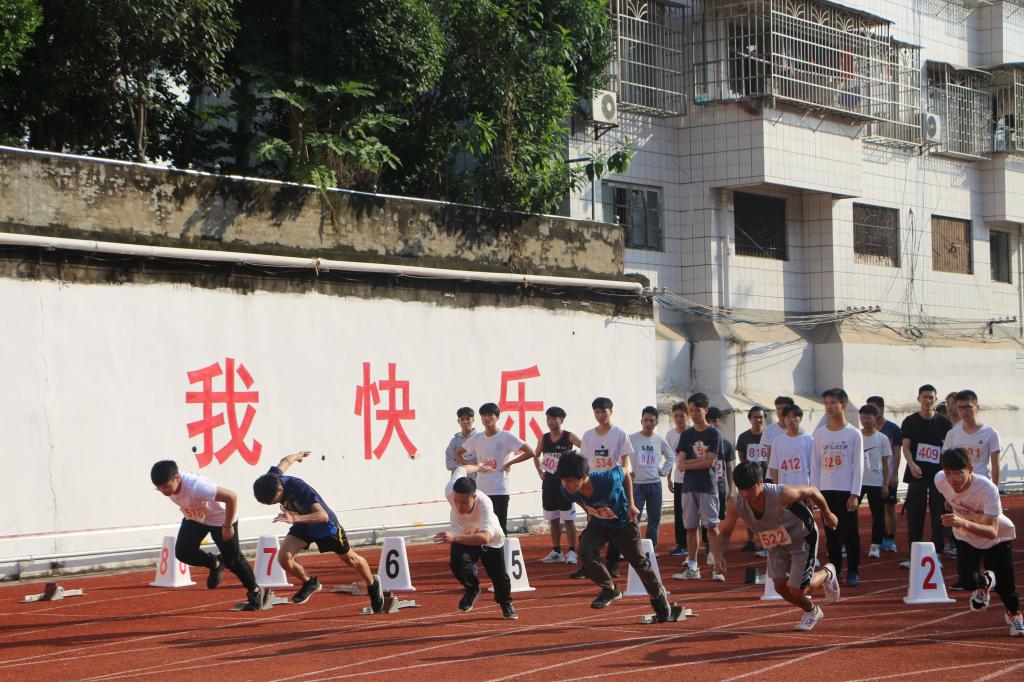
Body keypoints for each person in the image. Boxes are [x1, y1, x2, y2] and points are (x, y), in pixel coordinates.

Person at [714, 461, 840, 631]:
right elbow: (725, 532)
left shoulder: (782, 494)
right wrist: (718, 555)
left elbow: (813, 491)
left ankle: (827, 573)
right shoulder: (736, 503)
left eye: (749, 489)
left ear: (760, 482)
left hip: (801, 537)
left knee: (798, 590)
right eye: (740, 489)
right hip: (774, 542)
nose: (745, 494)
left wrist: (827, 514)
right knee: (780, 587)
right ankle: (812, 611)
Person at [252, 451, 384, 611]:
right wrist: (298, 456)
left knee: (351, 559)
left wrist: (295, 518)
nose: (273, 504)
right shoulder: (270, 479)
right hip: (303, 524)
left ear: (280, 488)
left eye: (273, 501)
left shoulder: (299, 489)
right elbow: (285, 461)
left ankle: (372, 584)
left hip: (326, 528)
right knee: (284, 558)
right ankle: (310, 582)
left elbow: (323, 516)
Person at [556, 452, 674, 620]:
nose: (565, 484)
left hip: (623, 523)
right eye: (563, 480)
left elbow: (625, 472)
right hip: (599, 524)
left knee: (639, 562)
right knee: (585, 551)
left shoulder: (607, 480)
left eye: (569, 480)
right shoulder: (566, 490)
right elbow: (579, 500)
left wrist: (631, 504)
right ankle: (609, 588)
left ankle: (657, 594)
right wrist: (589, 512)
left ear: (583, 477)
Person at [151, 460, 266, 611]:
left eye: (166, 486)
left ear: (177, 478)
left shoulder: (197, 487)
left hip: (221, 519)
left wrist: (227, 526)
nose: (164, 491)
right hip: (197, 517)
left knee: (233, 561)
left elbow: (231, 497)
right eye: (159, 488)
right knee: (183, 552)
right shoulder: (170, 483)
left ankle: (256, 592)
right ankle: (215, 563)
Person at [934, 448, 1022, 637]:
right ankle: (985, 583)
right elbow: (950, 497)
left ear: (970, 469)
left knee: (1006, 586)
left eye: (959, 474)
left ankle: (1014, 615)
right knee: (967, 581)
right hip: (966, 537)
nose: (953, 479)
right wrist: (952, 504)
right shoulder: (940, 480)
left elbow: (991, 532)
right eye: (948, 473)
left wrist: (962, 521)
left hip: (997, 538)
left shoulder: (987, 489)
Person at [435, 462, 518, 619]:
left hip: (490, 539)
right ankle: (472, 588)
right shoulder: (450, 489)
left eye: (464, 502)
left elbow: (485, 538)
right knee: (457, 562)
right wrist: (479, 467)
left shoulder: (485, 503)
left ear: (474, 497)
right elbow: (461, 469)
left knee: (499, 576)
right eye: (456, 501)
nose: (459, 506)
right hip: (464, 533)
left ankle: (505, 603)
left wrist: (454, 537)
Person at [573, 397, 634, 579]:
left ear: (611, 411)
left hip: (613, 487)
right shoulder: (588, 436)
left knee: (616, 528)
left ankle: (613, 564)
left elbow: (625, 467)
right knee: (592, 526)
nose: (600, 415)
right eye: (597, 411)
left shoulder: (620, 434)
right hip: (593, 488)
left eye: (603, 411)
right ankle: (588, 565)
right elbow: (584, 464)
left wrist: (630, 500)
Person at [454, 402, 537, 534]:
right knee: (481, 528)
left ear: (497, 417)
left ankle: (501, 548)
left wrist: (508, 464)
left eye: (490, 415)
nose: (486, 418)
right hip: (481, 490)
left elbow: (530, 452)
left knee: (499, 528)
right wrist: (474, 467)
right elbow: (457, 453)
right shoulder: (477, 438)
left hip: (499, 489)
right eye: (483, 415)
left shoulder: (506, 436)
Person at [810, 388, 864, 586]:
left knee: (850, 533)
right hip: (826, 492)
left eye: (833, 402)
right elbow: (815, 464)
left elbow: (859, 465)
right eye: (826, 403)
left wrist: (855, 493)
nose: (829, 407)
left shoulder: (854, 434)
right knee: (831, 534)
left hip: (846, 491)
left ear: (843, 405)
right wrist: (814, 493)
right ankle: (834, 571)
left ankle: (853, 571)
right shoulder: (819, 434)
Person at [899, 384, 953, 568]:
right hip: (917, 473)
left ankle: (936, 552)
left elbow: (948, 448)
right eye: (925, 397)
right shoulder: (910, 421)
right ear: (918, 398)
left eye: (931, 397)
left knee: (939, 513)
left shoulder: (944, 423)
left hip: (938, 475)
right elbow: (906, 446)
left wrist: (946, 471)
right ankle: (913, 553)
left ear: (936, 399)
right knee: (915, 513)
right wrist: (911, 464)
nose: (928, 400)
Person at [673, 392, 723, 582]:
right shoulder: (686, 435)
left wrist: (690, 463)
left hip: (708, 486)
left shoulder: (713, 433)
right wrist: (695, 462)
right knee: (691, 527)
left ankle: (718, 567)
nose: (693, 414)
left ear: (705, 410)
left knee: (712, 527)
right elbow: (680, 463)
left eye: (697, 410)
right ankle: (693, 566)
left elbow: (709, 462)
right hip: (688, 487)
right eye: (691, 410)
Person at [534, 406, 582, 564]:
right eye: (548, 418)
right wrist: (540, 472)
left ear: (561, 420)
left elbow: (585, 448)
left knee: (568, 519)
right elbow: (536, 455)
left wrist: (577, 469)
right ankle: (556, 551)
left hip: (565, 486)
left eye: (554, 418)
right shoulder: (544, 438)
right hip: (549, 484)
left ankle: (572, 551)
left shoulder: (568, 436)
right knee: (553, 519)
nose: (550, 422)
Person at [628, 406, 675, 550]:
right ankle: (632, 548)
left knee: (654, 519)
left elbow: (671, 456)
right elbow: (619, 454)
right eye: (646, 420)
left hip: (655, 484)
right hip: (637, 484)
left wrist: (664, 471)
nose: (649, 423)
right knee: (633, 518)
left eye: (652, 421)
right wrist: (626, 472)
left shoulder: (659, 440)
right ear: (641, 421)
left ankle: (651, 549)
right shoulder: (631, 439)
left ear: (656, 422)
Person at [943, 390, 1001, 487]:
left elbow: (995, 464)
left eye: (968, 407)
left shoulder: (991, 433)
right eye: (960, 408)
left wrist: (995, 488)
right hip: (959, 485)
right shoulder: (952, 434)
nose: (964, 411)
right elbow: (946, 463)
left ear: (977, 408)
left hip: (982, 485)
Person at [867, 396, 902, 553]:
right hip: (871, 477)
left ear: (881, 409)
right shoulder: (866, 430)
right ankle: (878, 538)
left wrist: (894, 474)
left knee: (889, 507)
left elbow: (897, 453)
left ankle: (890, 538)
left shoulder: (893, 429)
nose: (871, 412)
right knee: (876, 510)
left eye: (873, 408)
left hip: (887, 475)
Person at [858, 404, 892, 559]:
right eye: (863, 417)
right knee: (849, 514)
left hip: (876, 482)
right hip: (857, 482)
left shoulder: (882, 438)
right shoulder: (856, 436)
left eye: (869, 417)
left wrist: (885, 484)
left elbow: (886, 464)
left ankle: (875, 545)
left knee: (878, 515)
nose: (866, 420)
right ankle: (846, 544)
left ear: (875, 418)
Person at [705, 407, 736, 565]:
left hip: (720, 487)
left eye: (715, 421)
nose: (712, 424)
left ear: (720, 422)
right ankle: (708, 546)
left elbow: (730, 468)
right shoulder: (702, 443)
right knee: (706, 519)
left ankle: (717, 546)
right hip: (705, 487)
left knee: (718, 519)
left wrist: (732, 489)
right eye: (709, 421)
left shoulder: (726, 444)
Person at [736, 405, 769, 555]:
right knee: (749, 510)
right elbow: (742, 457)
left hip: (766, 478)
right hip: (750, 480)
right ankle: (751, 540)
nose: (758, 420)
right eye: (755, 417)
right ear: (750, 419)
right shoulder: (744, 437)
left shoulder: (769, 436)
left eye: (761, 417)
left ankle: (767, 543)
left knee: (766, 511)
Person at [665, 401, 690, 557]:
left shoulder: (694, 432)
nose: (679, 419)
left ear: (687, 416)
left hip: (694, 478)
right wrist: (668, 478)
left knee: (694, 512)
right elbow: (669, 458)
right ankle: (681, 544)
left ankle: (706, 543)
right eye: (676, 416)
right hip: (679, 479)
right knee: (679, 512)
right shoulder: (670, 435)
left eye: (682, 416)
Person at [768, 404, 812, 487]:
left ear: (800, 418)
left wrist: (811, 488)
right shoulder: (777, 442)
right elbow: (773, 468)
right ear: (784, 419)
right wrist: (777, 489)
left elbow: (813, 467)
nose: (791, 420)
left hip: (804, 487)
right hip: (784, 488)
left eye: (794, 416)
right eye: (788, 417)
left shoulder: (809, 440)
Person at [763, 396, 796, 479]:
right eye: (778, 409)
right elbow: (767, 455)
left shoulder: (799, 431)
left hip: (793, 476)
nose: (780, 412)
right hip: (772, 476)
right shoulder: (768, 430)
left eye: (783, 408)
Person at [445, 407, 477, 474]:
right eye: (462, 419)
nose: (465, 421)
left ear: (473, 420)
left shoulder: (479, 438)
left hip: (476, 478)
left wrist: (459, 460)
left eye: (468, 418)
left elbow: (480, 460)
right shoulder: (454, 441)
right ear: (458, 421)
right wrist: (472, 465)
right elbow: (449, 464)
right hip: (458, 478)